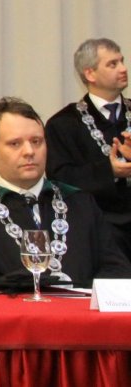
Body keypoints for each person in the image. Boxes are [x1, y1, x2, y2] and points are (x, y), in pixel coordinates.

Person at [0, 97, 131, 289]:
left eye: (36, 141)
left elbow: (117, 269)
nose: (29, 151)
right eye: (15, 144)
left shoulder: (80, 203)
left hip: (79, 310)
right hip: (7, 310)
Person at [45, 38, 131, 259]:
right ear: (90, 74)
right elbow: (59, 179)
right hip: (98, 231)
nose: (123, 69)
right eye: (112, 64)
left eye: (122, 61)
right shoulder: (63, 124)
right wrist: (108, 171)